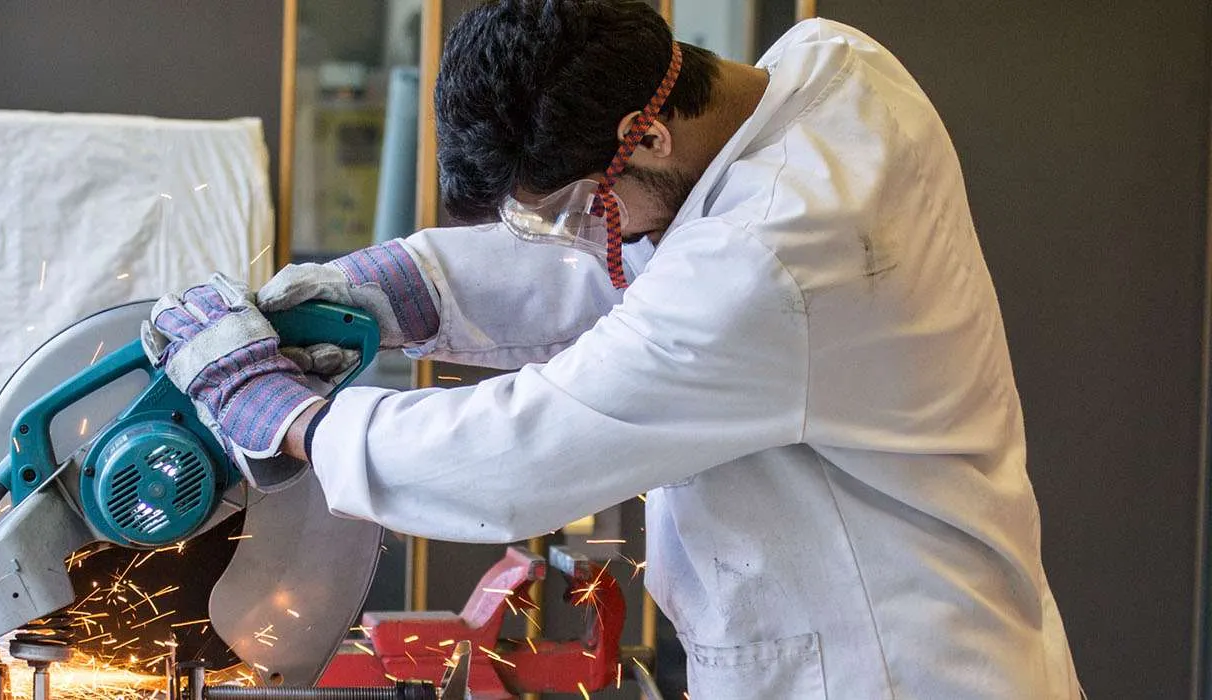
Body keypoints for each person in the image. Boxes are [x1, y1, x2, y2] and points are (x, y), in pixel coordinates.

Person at [140, 1, 1084, 697]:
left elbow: (520, 456)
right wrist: (401, 286)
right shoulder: (831, 70)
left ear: (649, 131)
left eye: (565, 210)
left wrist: (290, 419)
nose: (576, 237)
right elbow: (650, 258)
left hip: (883, 668)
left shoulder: (775, 262)